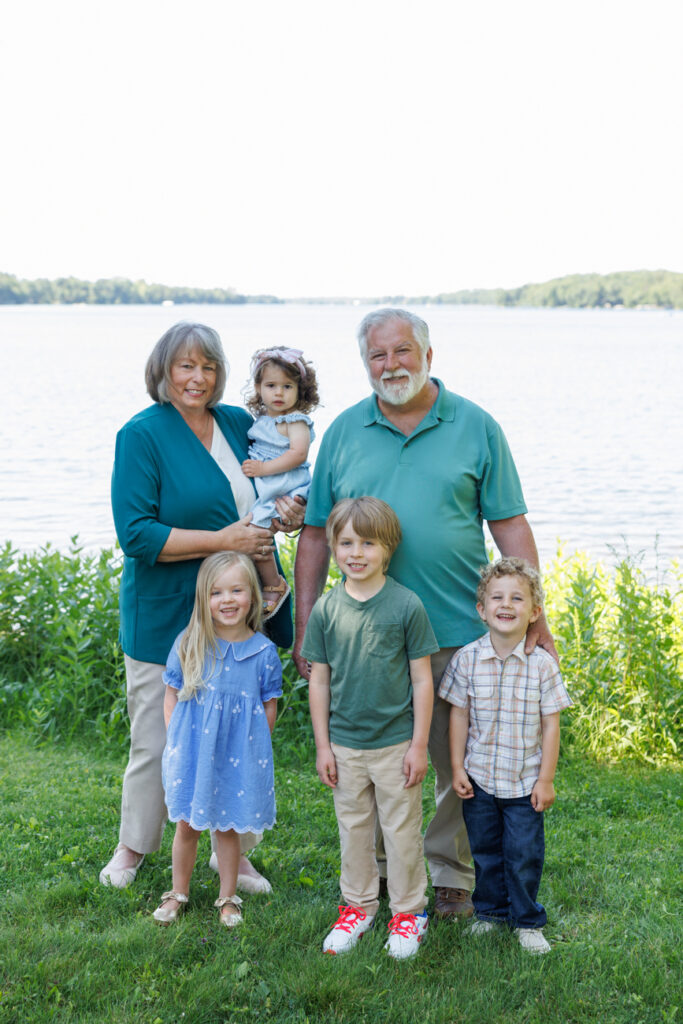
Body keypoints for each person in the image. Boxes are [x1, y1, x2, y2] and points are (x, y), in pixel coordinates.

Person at [294, 308, 558, 919]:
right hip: (362, 639)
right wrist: (308, 626)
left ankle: (448, 872)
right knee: (375, 757)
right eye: (377, 355)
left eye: (402, 351)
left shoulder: (476, 426)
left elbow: (509, 524)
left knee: (454, 760)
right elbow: (313, 534)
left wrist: (536, 614)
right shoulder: (343, 431)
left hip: (456, 632)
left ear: (428, 355)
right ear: (365, 364)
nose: (390, 365)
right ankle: (382, 869)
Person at [101, 321, 303, 892]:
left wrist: (289, 509)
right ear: (163, 371)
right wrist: (222, 540)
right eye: (186, 365)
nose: (198, 377)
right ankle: (134, 844)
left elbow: (274, 489)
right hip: (166, 613)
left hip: (237, 613)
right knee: (157, 737)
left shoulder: (240, 424)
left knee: (239, 734)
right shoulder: (140, 435)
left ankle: (232, 852)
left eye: (209, 366)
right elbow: (136, 533)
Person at [302, 497, 439, 959]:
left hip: (396, 744)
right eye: (346, 543)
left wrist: (419, 745)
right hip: (344, 745)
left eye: (368, 543)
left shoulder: (406, 605)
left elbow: (422, 680)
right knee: (354, 829)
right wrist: (323, 746)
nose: (356, 553)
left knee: (401, 832)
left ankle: (408, 913)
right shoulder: (326, 609)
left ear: (388, 548)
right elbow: (319, 681)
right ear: (333, 547)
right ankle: (358, 907)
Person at [439, 557, 572, 954]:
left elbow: (551, 725)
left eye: (517, 598)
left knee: (523, 854)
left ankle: (527, 920)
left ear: (534, 612)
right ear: (482, 609)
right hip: (479, 778)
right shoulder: (467, 659)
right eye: (497, 597)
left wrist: (545, 780)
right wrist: (458, 767)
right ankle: (490, 913)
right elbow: (459, 716)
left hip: (524, 782)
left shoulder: (543, 666)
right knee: (485, 851)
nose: (506, 605)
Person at [152, 552, 282, 928]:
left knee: (227, 827)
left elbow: (269, 705)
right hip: (193, 753)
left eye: (236, 590)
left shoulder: (263, 653)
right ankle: (178, 892)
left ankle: (227, 897)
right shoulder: (190, 643)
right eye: (216, 592)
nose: (227, 600)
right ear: (204, 599)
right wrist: (176, 739)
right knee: (187, 826)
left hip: (236, 756)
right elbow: (171, 694)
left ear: (252, 596)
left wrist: (255, 746)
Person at [241, 346, 319, 615]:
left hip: (286, 484)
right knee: (254, 532)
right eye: (271, 385)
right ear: (258, 387)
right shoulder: (263, 419)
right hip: (271, 484)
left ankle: (274, 584)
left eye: (287, 387)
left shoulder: (295, 421)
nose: (278, 393)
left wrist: (263, 468)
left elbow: (298, 454)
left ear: (300, 391)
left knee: (256, 533)